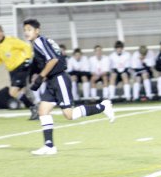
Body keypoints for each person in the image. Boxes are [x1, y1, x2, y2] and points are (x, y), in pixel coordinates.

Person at [23, 19, 114, 156]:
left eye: (29, 29)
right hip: (52, 80)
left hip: (59, 79)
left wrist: (41, 77)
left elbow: (53, 59)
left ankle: (103, 106)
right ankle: (49, 146)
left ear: (37, 30)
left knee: (69, 115)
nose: (26, 32)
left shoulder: (39, 42)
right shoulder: (39, 42)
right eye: (25, 30)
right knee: (43, 110)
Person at [0, 24, 38, 120]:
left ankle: (34, 108)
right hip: (12, 72)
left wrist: (27, 59)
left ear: (2, 32)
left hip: (21, 68)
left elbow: (26, 46)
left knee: (13, 92)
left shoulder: (11, 40)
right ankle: (34, 108)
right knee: (21, 92)